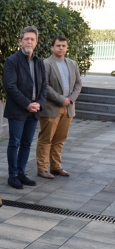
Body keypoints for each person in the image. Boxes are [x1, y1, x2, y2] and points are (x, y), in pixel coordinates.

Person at [3, 26, 47, 189]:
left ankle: (21, 173)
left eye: (32, 39)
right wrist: (27, 104)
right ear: (20, 41)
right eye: (26, 39)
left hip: (34, 110)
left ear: (36, 42)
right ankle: (12, 175)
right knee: (14, 143)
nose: (29, 41)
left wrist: (39, 103)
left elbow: (44, 86)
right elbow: (10, 86)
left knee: (27, 143)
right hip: (18, 110)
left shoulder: (39, 62)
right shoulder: (12, 61)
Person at [36, 36, 82, 178]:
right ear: (52, 47)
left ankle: (56, 167)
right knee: (46, 139)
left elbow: (78, 84)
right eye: (58, 45)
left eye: (63, 46)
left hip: (68, 108)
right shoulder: (46, 63)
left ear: (67, 47)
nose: (61, 48)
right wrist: (61, 99)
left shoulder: (73, 64)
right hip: (51, 108)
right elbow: (45, 85)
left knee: (60, 139)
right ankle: (42, 168)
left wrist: (70, 99)